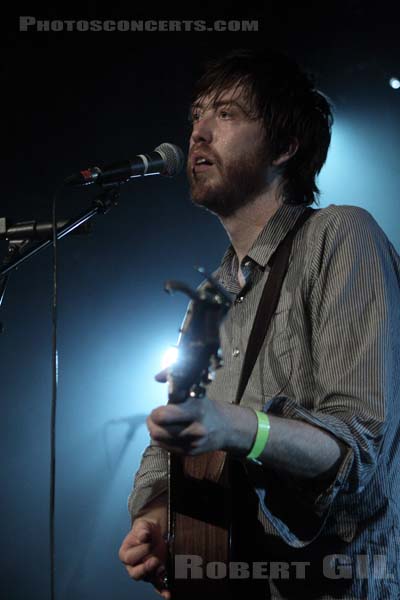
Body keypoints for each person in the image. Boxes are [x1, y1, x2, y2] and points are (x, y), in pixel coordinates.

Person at [118, 48, 400, 599]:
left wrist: (242, 427)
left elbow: (358, 449)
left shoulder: (342, 237)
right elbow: (173, 437)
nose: (198, 132)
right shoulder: (208, 295)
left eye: (226, 114)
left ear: (286, 146)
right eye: (197, 114)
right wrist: (154, 518)